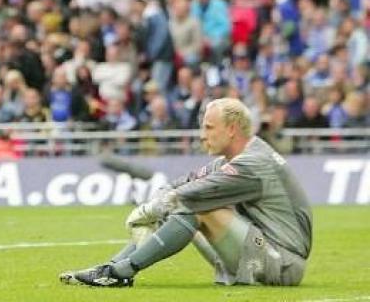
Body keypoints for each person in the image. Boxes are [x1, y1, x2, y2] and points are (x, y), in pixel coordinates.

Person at [60, 98, 312, 288]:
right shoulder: (233, 159)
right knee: (179, 206)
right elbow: (183, 183)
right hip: (263, 252)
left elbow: (193, 193)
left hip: (282, 263)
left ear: (232, 129)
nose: (203, 136)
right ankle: (111, 269)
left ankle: (121, 273)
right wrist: (158, 202)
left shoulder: (254, 163)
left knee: (195, 206)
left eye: (209, 128)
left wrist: (152, 207)